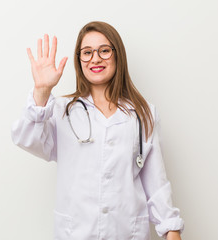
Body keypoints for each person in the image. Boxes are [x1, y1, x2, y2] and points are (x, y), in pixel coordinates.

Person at [11, 21, 184, 240]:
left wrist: (171, 229)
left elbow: (156, 183)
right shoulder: (61, 110)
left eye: (104, 50)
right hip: (76, 233)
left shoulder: (143, 113)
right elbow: (27, 139)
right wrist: (42, 91)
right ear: (79, 59)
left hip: (127, 234)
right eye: (87, 52)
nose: (95, 58)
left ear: (117, 55)